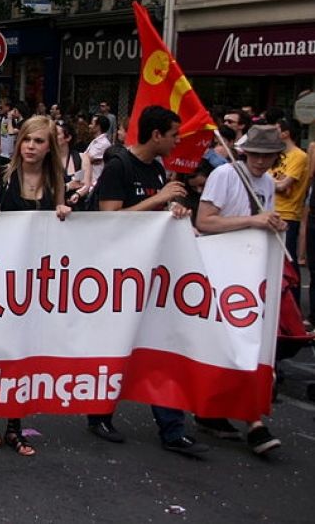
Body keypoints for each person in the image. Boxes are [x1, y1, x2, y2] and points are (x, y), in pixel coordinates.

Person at [87, 105, 208, 456]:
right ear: (156, 135)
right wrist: (160, 198)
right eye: (173, 135)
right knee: (116, 347)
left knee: (160, 345)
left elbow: (155, 214)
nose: (177, 141)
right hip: (118, 275)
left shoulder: (156, 168)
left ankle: (172, 429)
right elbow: (109, 219)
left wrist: (173, 211)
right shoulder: (119, 167)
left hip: (153, 271)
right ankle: (99, 414)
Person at [0, 116, 71, 457]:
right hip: (4, 276)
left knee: (25, 351)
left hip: (37, 279)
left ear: (49, 147)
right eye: (27, 140)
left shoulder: (55, 179)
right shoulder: (1, 176)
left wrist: (63, 211)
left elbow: (60, 223)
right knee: (0, 347)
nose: (31, 147)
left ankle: (15, 424)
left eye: (39, 141)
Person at [193, 124, 285, 454]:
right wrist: (253, 222)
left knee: (241, 343)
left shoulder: (268, 183)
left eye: (267, 156)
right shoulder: (225, 175)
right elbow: (204, 221)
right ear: (245, 152)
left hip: (248, 273)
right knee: (238, 343)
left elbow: (260, 220)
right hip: (221, 270)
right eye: (255, 155)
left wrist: (273, 224)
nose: (260, 161)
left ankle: (216, 412)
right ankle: (253, 422)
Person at [270, 118, 308, 306]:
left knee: (288, 262)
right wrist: (276, 183)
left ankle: (294, 308)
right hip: (269, 211)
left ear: (286, 133)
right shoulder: (276, 155)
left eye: (276, 129)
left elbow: (283, 185)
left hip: (288, 214)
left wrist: (272, 183)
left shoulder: (299, 156)